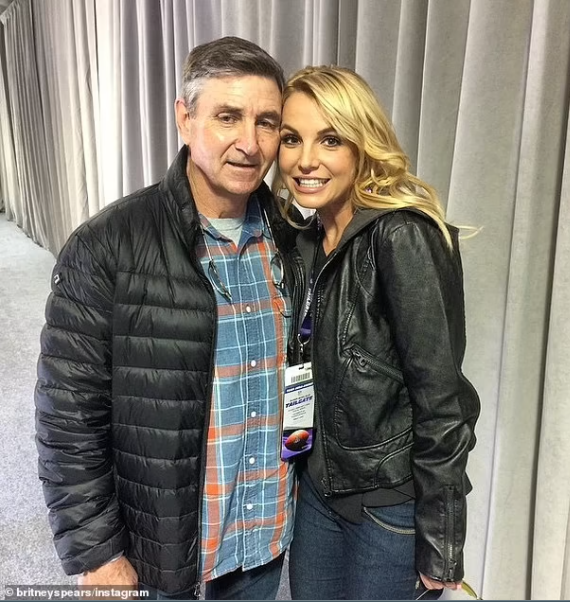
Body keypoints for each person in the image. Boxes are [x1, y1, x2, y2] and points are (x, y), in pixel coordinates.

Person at [35, 36, 300, 600]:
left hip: (263, 539)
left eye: (266, 123)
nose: (249, 143)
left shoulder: (292, 242)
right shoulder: (107, 245)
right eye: (227, 117)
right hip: (160, 554)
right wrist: (98, 555)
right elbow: (68, 415)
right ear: (185, 118)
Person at [274, 66, 481, 601]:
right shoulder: (304, 240)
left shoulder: (402, 235)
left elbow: (443, 400)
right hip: (317, 491)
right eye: (292, 139)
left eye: (330, 139)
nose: (305, 160)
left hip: (387, 508)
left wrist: (442, 540)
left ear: (362, 143)